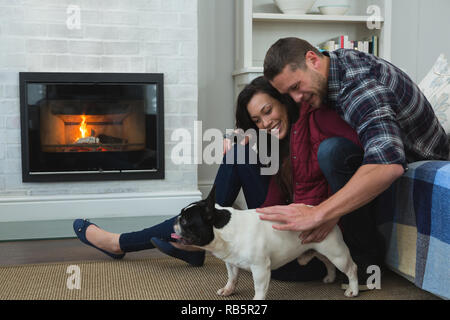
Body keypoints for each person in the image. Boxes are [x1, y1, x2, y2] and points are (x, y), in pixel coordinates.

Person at [73, 76, 360, 282]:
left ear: (284, 101)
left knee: (236, 160)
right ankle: (195, 240)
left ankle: (124, 242)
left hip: (299, 250)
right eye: (257, 121)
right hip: (279, 231)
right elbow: (261, 161)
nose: (265, 123)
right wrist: (235, 139)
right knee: (236, 158)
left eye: (268, 111)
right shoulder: (279, 140)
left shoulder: (316, 129)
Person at [258, 37, 449, 287]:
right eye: (288, 93)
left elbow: (388, 164)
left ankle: (367, 262)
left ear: (313, 60)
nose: (295, 98)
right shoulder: (332, 67)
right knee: (331, 148)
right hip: (379, 149)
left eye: (296, 86)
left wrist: (320, 213)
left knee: (332, 152)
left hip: (415, 157)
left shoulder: (360, 87)